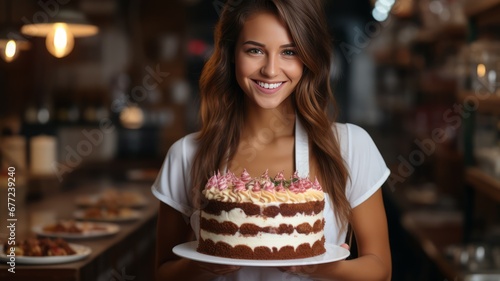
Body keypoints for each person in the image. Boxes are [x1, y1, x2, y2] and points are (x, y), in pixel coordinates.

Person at [152, 0, 392, 280]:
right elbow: (163, 274)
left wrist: (325, 266)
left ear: (308, 57)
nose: (270, 70)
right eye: (255, 50)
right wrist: (202, 265)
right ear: (231, 53)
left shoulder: (350, 146)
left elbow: (381, 270)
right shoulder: (185, 154)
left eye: (289, 52)